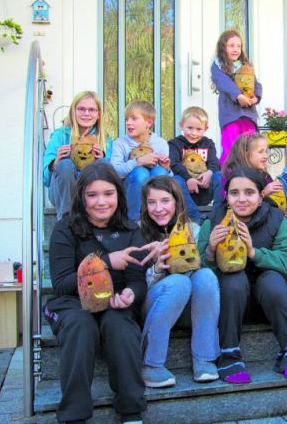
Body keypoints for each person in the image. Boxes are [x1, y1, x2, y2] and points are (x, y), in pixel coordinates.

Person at [43, 162, 146, 423]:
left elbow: (137, 280)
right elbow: (62, 283)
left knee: (121, 327)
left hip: (113, 302)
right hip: (72, 303)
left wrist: (131, 295)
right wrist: (107, 262)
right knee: (81, 325)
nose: (101, 202)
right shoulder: (65, 229)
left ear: (118, 196)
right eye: (92, 195)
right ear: (81, 198)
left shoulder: (131, 230)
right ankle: (74, 416)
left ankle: (131, 411)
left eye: (108, 194)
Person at [197, 167, 287, 384]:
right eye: (234, 193)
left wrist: (254, 253)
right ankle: (229, 353)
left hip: (271, 302)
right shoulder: (214, 221)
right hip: (232, 304)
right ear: (226, 197)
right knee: (233, 277)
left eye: (249, 192)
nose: (242, 199)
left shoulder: (275, 219)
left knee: (271, 279)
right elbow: (197, 270)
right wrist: (210, 250)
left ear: (260, 196)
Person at [137, 176, 220, 388]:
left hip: (188, 308)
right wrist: (156, 267)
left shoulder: (193, 230)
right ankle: (151, 363)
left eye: (165, 201)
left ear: (177, 202)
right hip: (153, 306)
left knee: (206, 276)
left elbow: (204, 286)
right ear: (145, 206)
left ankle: (204, 358)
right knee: (178, 283)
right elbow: (133, 287)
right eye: (152, 202)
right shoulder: (137, 233)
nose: (159, 208)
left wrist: (202, 255)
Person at [43, 91, 112, 220]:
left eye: (91, 110)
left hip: (91, 193)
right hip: (63, 194)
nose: (86, 114)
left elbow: (113, 176)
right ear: (73, 111)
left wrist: (102, 158)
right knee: (65, 164)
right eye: (81, 109)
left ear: (98, 114)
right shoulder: (60, 135)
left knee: (105, 164)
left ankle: (101, 218)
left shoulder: (105, 139)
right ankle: (67, 221)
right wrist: (56, 161)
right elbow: (45, 179)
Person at [110, 100, 171, 221]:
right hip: (129, 190)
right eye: (126, 119)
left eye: (133, 119)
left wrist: (166, 168)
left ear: (149, 122)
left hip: (153, 189)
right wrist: (138, 162)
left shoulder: (160, 143)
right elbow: (114, 172)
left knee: (161, 173)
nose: (128, 123)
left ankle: (160, 217)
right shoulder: (120, 143)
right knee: (141, 172)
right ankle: (133, 221)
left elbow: (170, 177)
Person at [211, 29, 262, 164]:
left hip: (248, 115)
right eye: (231, 45)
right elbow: (224, 83)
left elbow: (256, 83)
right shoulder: (218, 66)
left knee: (250, 148)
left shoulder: (245, 66)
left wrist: (256, 97)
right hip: (231, 116)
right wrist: (238, 95)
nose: (235, 49)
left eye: (238, 46)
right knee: (231, 149)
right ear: (223, 47)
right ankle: (227, 181)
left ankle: (251, 180)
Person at [168, 106, 222, 223]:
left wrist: (209, 173)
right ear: (181, 125)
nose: (193, 133)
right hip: (186, 193)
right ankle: (195, 219)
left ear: (205, 128)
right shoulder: (175, 144)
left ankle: (218, 215)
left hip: (205, 187)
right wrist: (188, 179)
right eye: (190, 128)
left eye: (199, 129)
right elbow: (174, 164)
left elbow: (214, 162)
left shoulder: (208, 143)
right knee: (176, 180)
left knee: (219, 176)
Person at [221, 132, 282, 199]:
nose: (266, 156)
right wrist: (265, 192)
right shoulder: (234, 176)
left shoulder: (264, 175)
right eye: (260, 152)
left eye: (266, 151)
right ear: (246, 154)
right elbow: (236, 202)